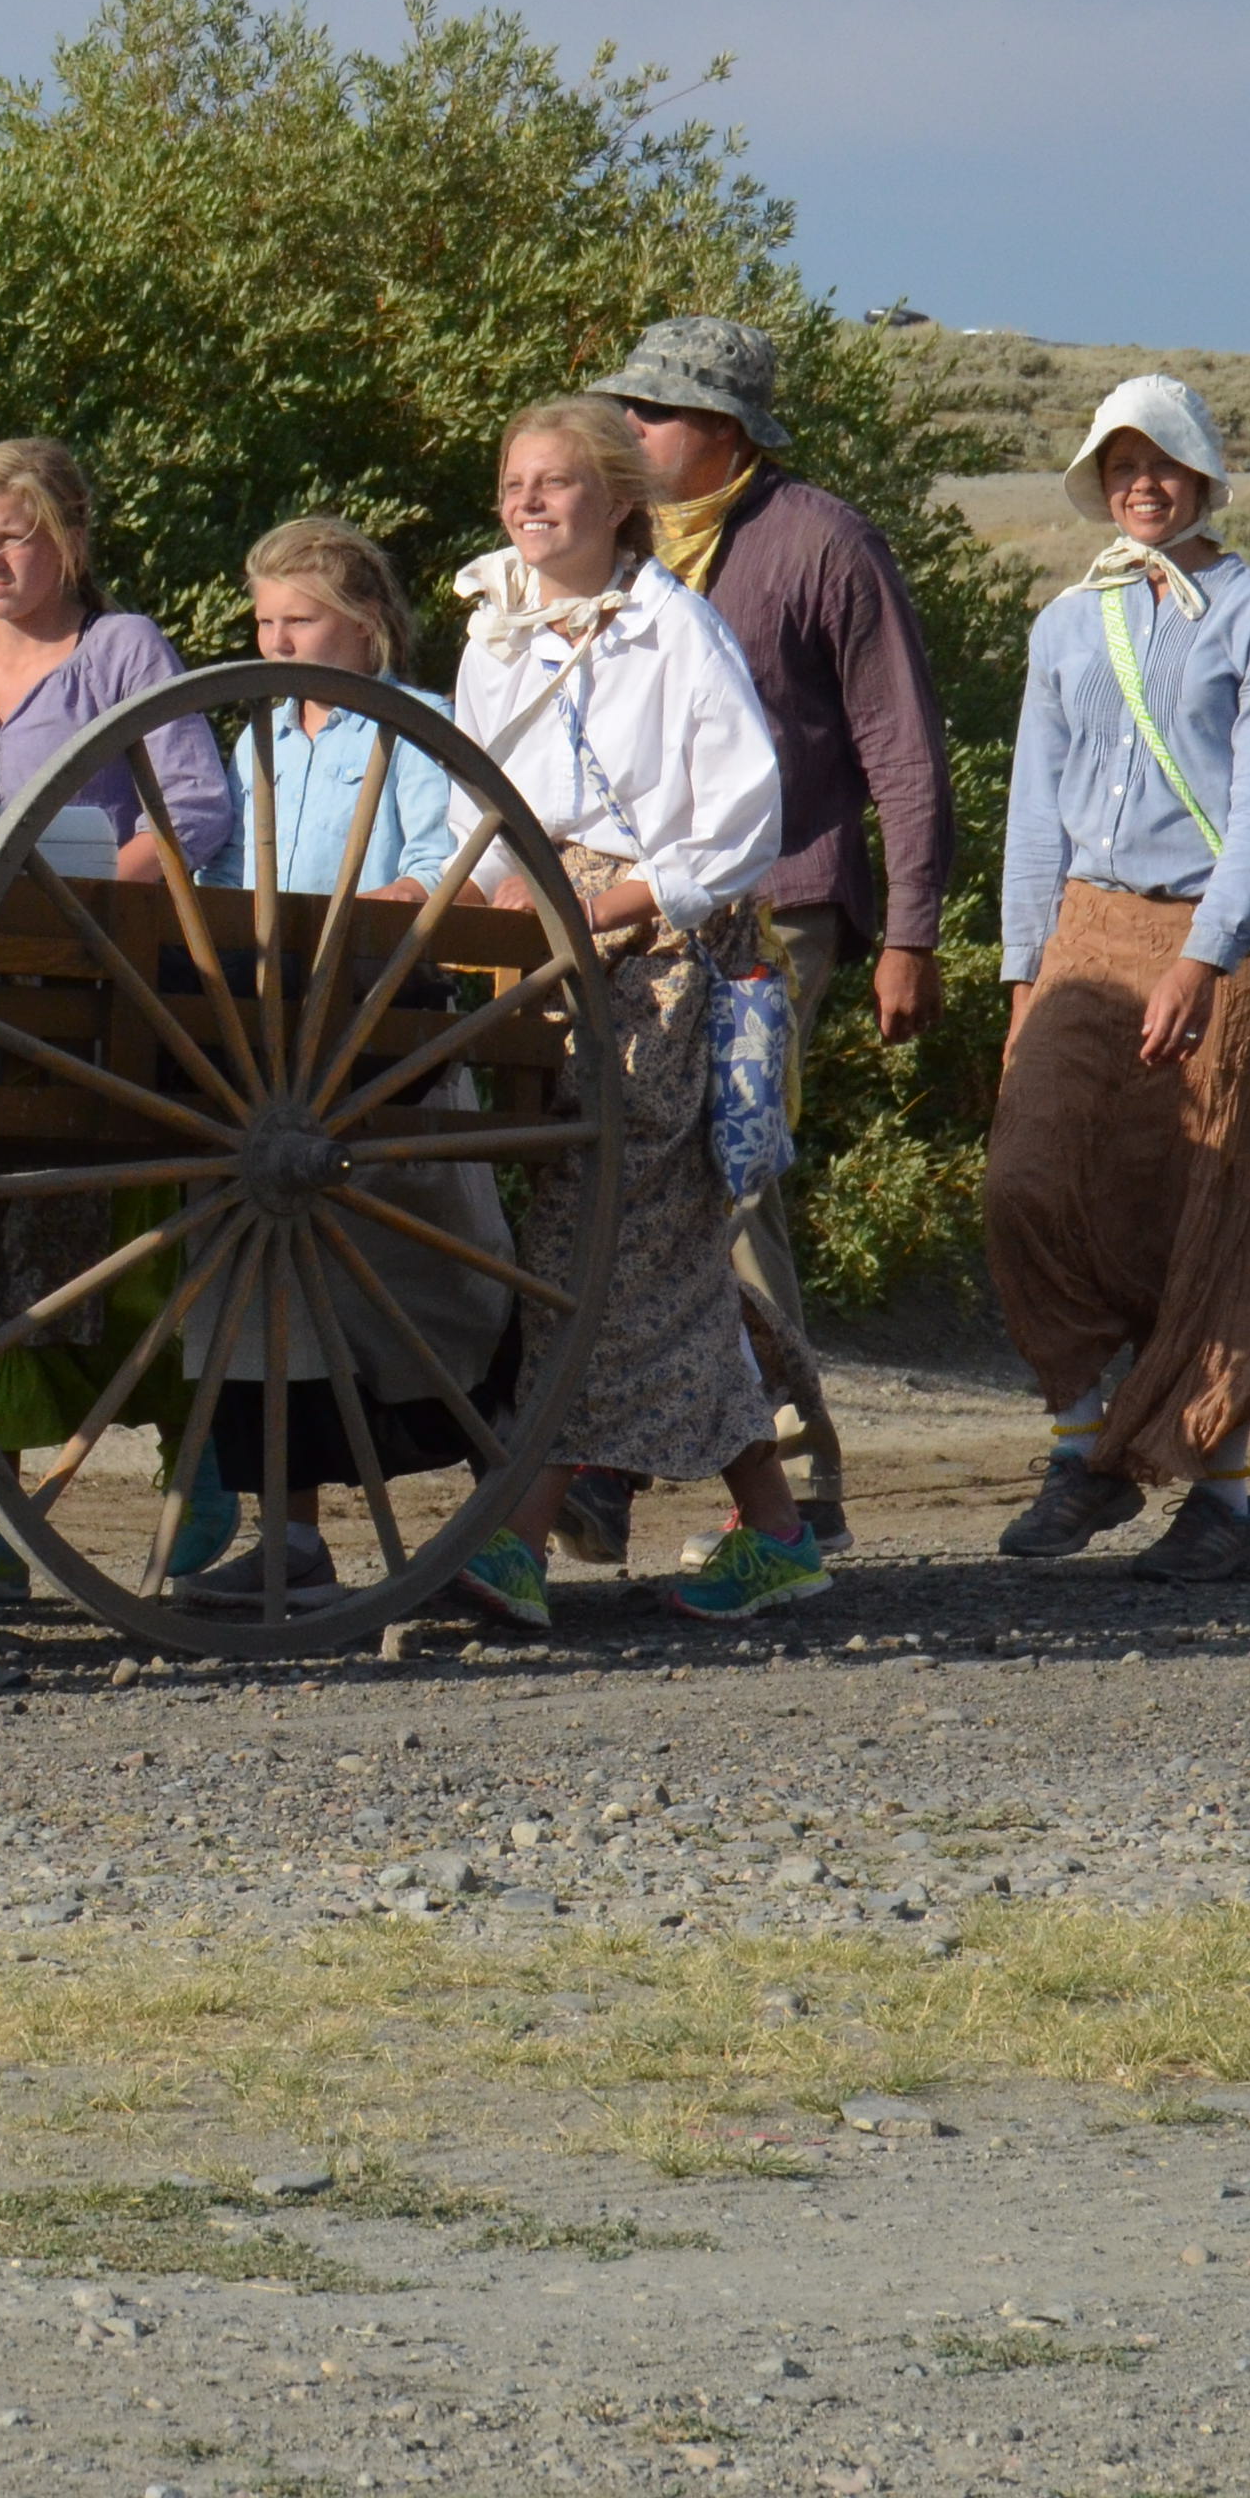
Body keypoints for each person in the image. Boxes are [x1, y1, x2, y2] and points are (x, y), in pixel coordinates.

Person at [428, 399, 819, 1630]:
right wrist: (498, 908)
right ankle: (777, 1532)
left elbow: (744, 816)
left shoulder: (673, 630)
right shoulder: (492, 630)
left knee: (589, 1244)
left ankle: (518, 1545)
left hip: (660, 959)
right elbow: (463, 798)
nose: (526, 503)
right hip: (534, 954)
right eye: (511, 482)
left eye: (553, 484)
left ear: (614, 502)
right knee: (651, 1252)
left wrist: (618, 904)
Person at [0, 440, 243, 1603]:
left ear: (67, 540)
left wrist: (88, 895)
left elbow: (191, 805)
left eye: (12, 538)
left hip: (96, 981)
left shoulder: (116, 648)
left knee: (94, 1232)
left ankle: (200, 1472)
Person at [601, 315, 950, 1546]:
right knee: (628, 1167)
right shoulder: (620, 549)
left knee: (729, 1170)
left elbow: (902, 751)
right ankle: (613, 1455)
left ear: (724, 430)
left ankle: (796, 1487)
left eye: (650, 411)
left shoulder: (820, 542)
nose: (628, 429)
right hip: (628, 910)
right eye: (625, 409)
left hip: (773, 909)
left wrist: (909, 931)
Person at [987, 375, 1250, 1584]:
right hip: (1084, 930)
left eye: (1161, 460)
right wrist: (1024, 972)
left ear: (1199, 474)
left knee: (1204, 1211)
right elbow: (1034, 812)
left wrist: (1204, 954)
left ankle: (1219, 1501)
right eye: (1119, 460)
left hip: (1207, 940)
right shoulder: (1064, 625)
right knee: (1028, 1181)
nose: (1141, 480)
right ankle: (1082, 1453)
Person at [169, 513, 504, 1612]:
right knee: (260, 1264)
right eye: (263, 621)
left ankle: (500, 1514)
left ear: (364, 625)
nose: (275, 640)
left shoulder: (417, 725)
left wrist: (347, 919)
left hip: (375, 1014)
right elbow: (220, 863)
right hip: (266, 1028)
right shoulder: (262, 737)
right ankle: (292, 1537)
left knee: (403, 1270)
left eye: (298, 618)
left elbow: (431, 867)